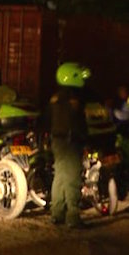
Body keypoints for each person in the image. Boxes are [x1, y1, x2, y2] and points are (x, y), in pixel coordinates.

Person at [46, 62, 90, 228]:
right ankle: (73, 216)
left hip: (57, 141)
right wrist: (86, 139)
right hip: (71, 142)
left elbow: (47, 119)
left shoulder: (55, 98)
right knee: (73, 178)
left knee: (60, 176)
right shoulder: (75, 100)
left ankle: (56, 213)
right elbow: (80, 124)